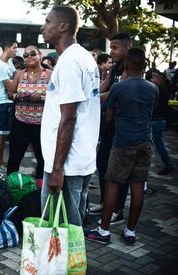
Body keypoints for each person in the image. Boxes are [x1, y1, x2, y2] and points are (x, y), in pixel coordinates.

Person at [85, 48, 158, 245]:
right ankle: (130, 231)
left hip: (123, 143)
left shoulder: (119, 88)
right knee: (136, 187)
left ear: (126, 65)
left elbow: (108, 118)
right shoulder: (153, 88)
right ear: (144, 65)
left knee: (112, 185)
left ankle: (104, 230)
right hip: (145, 143)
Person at [40, 6, 101, 226]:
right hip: (79, 159)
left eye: (47, 22)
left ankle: (65, 263)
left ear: (63, 26)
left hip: (66, 164)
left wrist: (57, 169)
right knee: (71, 231)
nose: (42, 27)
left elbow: (69, 118)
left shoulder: (69, 62)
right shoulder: (84, 57)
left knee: (58, 235)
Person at [90, 33, 132, 225]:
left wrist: (89, 98)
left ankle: (117, 210)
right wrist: (89, 89)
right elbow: (103, 87)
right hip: (108, 125)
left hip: (122, 127)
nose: (111, 51)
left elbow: (113, 93)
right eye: (111, 46)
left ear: (127, 49)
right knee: (102, 163)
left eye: (115, 47)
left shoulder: (130, 69)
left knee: (119, 171)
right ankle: (105, 202)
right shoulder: (115, 68)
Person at [7, 45, 51, 186]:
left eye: (33, 54)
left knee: (42, 160)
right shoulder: (19, 74)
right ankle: (11, 187)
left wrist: (41, 98)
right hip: (20, 122)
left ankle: (39, 191)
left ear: (40, 55)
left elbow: (57, 96)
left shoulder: (50, 74)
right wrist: (17, 96)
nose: (29, 57)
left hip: (42, 125)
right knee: (14, 158)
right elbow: (10, 93)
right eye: (26, 55)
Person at [0, 40, 17, 173]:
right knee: (1, 134)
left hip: (8, 102)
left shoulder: (9, 63)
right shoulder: (0, 66)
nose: (16, 51)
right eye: (14, 48)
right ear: (7, 48)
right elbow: (11, 86)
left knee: (4, 133)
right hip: (3, 102)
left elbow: (14, 76)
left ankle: (0, 161)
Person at [146, 69, 175, 175]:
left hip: (156, 120)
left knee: (159, 145)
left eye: (156, 77)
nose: (155, 79)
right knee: (157, 145)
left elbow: (158, 105)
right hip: (157, 119)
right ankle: (168, 165)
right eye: (154, 77)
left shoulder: (159, 89)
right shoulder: (159, 88)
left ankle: (169, 165)